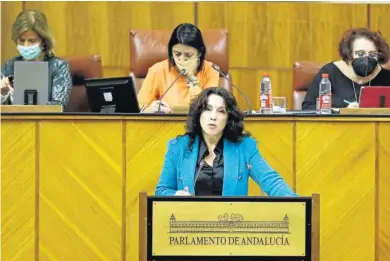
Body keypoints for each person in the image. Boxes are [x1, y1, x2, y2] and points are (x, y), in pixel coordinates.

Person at [155, 87, 297, 197]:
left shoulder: (244, 147)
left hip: (231, 229)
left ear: (229, 118)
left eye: (221, 111)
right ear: (199, 115)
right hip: (189, 226)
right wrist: (175, 195)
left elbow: (271, 181)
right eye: (208, 110)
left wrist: (298, 204)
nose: (213, 117)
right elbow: (161, 190)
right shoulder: (178, 147)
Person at [138, 23, 220, 113]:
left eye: (188, 55)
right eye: (177, 54)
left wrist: (192, 80)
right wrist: (150, 110)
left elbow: (206, 110)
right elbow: (139, 107)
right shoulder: (157, 70)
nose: (182, 59)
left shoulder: (211, 70)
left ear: (199, 53)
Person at [302, 28, 390, 110]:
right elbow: (308, 106)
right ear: (349, 54)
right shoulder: (329, 73)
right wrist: (342, 111)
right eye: (360, 53)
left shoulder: (386, 77)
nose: (366, 58)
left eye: (372, 54)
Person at [1, 10, 72, 107]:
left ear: (43, 42)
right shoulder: (9, 66)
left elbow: (58, 106)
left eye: (32, 41)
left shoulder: (58, 66)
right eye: (22, 40)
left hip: (46, 121)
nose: (26, 45)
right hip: (15, 122)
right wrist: (3, 94)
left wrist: (25, 106)